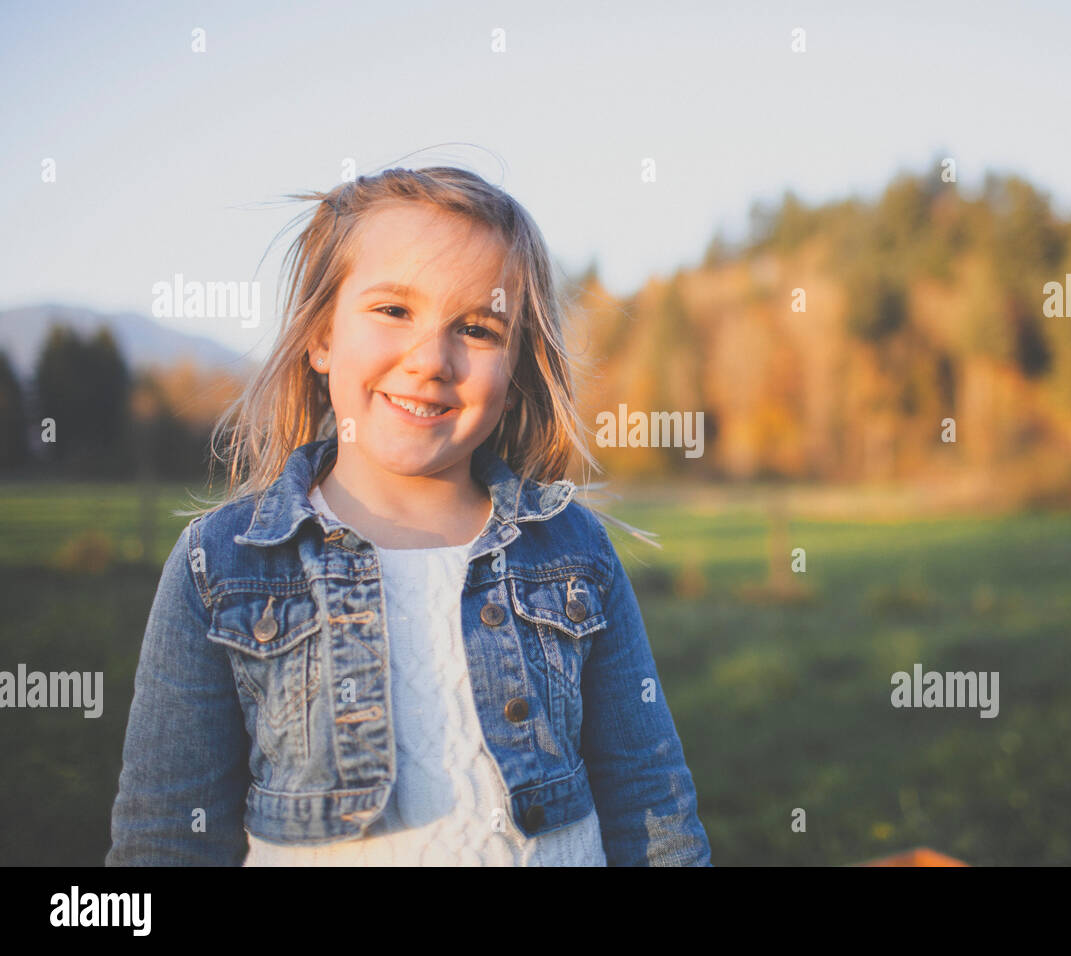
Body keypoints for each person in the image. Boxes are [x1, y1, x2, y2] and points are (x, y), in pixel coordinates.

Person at [105, 166, 711, 866]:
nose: (431, 361)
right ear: (322, 335)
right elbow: (167, 836)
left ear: (515, 373)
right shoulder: (223, 563)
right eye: (394, 310)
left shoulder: (573, 551)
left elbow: (650, 799)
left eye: (478, 329)